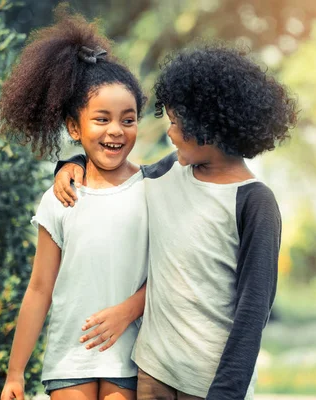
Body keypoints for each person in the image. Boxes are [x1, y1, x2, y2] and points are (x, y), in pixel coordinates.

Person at [54, 45, 298, 399]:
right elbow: (111, 173)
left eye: (175, 122)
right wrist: (70, 163)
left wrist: (226, 392)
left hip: (211, 385)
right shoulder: (167, 172)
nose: (169, 132)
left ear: (209, 125)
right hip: (153, 374)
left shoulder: (255, 202)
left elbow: (253, 312)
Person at [0, 11, 149, 400]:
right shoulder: (60, 198)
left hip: (133, 357)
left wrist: (131, 307)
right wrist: (15, 373)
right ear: (73, 127)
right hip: (69, 359)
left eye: (127, 120)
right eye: (102, 119)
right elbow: (39, 288)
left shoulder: (153, 188)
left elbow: (170, 273)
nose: (116, 130)